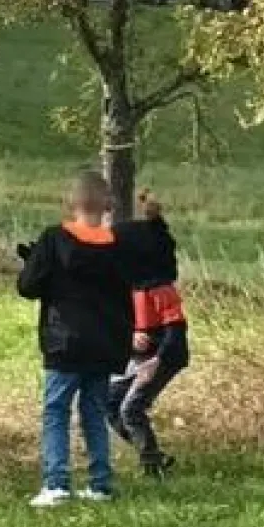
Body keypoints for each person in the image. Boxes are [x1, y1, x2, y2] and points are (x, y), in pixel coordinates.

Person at [16, 171, 133, 507]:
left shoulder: (54, 238)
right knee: (94, 411)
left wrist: (33, 262)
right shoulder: (119, 246)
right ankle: (100, 484)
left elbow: (28, 287)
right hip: (105, 343)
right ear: (108, 204)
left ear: (69, 203)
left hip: (64, 341)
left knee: (56, 411)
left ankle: (56, 484)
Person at [108, 191, 190, 478]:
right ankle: (155, 456)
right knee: (111, 404)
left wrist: (155, 363)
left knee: (131, 409)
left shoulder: (161, 291)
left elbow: (176, 332)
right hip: (139, 356)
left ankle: (152, 468)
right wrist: (129, 336)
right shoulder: (127, 290)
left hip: (163, 357)